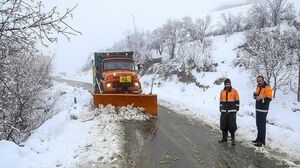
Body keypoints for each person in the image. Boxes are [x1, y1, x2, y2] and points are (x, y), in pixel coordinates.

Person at [252, 76, 272, 147]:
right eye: (258, 81)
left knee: (262, 125)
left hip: (263, 110)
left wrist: (261, 99)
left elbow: (269, 99)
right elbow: (257, 95)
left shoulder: (267, 88)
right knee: (258, 124)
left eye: (260, 81)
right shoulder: (258, 87)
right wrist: (255, 95)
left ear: (263, 80)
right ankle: (258, 139)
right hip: (258, 108)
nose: (259, 82)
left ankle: (262, 141)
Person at [219, 78, 240, 145]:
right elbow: (221, 101)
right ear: (224, 84)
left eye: (228, 84)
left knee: (232, 125)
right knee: (223, 125)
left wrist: (237, 108)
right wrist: (220, 108)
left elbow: (237, 100)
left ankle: (233, 139)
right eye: (226, 84)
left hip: (232, 111)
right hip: (224, 111)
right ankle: (224, 138)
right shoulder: (222, 91)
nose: (227, 85)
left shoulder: (234, 91)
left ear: (230, 84)